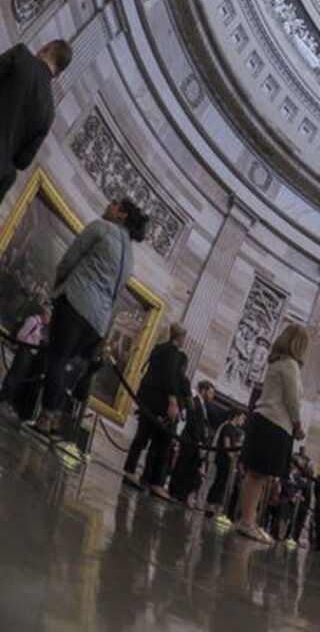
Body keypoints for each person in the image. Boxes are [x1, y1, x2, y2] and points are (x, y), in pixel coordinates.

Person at [33, 198, 148, 436]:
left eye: (114, 204)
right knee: (68, 365)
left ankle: (46, 416)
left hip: (76, 300)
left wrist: (58, 288)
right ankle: (55, 419)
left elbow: (69, 260)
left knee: (57, 358)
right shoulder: (130, 258)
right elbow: (115, 296)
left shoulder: (101, 228)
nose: (108, 206)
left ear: (122, 215)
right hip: (98, 321)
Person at [237, 323, 309, 544]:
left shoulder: (279, 362)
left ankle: (249, 519)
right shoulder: (290, 365)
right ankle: (247, 521)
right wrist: (298, 426)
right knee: (257, 476)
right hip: (274, 423)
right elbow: (292, 400)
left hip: (266, 420)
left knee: (258, 475)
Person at [0, 40, 71, 204]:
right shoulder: (49, 112)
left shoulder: (21, 56)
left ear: (45, 48)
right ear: (58, 73)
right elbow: (23, 161)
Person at [124, 322, 188, 496]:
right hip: (160, 402)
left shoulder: (158, 348)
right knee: (162, 441)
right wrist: (173, 402)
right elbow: (169, 378)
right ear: (180, 337)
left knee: (142, 436)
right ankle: (153, 481)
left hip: (147, 398)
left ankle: (131, 471)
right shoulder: (174, 354)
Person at [169, 379, 217, 506]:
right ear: (204, 390)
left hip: (197, 443)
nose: (212, 396)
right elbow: (193, 423)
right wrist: (199, 441)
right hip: (190, 440)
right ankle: (175, 492)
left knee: (190, 469)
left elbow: (203, 425)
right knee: (182, 465)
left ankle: (182, 494)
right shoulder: (194, 402)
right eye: (211, 393)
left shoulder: (204, 406)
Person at [0, 306, 46, 419]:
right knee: (15, 374)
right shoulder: (33, 321)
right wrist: (21, 345)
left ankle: (7, 399)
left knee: (19, 376)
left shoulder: (41, 327)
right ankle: (4, 398)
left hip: (31, 353)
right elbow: (22, 334)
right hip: (25, 350)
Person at [205, 409, 245, 518]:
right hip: (223, 460)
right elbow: (226, 444)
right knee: (219, 482)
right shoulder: (228, 427)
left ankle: (215, 506)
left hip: (227, 461)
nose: (243, 421)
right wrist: (232, 458)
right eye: (242, 418)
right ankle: (210, 505)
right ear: (236, 416)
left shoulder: (233, 430)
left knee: (222, 483)